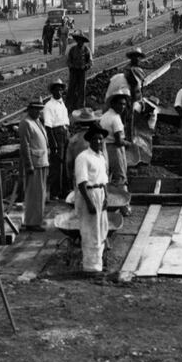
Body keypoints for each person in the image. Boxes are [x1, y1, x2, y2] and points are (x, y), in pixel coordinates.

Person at [74, 123, 110, 277]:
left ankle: (99, 264)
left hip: (100, 193)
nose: (99, 142)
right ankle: (90, 268)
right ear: (90, 141)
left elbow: (104, 179)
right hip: (89, 194)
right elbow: (81, 182)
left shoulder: (101, 157)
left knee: (101, 230)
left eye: (101, 139)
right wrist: (88, 202)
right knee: (90, 232)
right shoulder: (83, 157)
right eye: (95, 139)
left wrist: (106, 196)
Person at [19, 100, 49, 231]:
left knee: (40, 193)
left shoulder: (37, 121)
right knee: (34, 194)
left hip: (42, 161)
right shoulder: (26, 123)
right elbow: (24, 146)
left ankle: (38, 219)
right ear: (29, 109)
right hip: (35, 163)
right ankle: (31, 222)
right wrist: (29, 164)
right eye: (36, 109)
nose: (38, 112)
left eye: (40, 109)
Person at [42, 79, 70, 200]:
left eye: (60, 89)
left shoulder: (61, 103)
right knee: (57, 164)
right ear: (52, 91)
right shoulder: (49, 106)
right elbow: (48, 127)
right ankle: (54, 192)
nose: (59, 91)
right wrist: (54, 145)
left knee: (65, 163)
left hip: (65, 133)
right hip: (56, 134)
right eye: (56, 89)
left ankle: (64, 191)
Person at [66, 107, 101, 191]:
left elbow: (69, 162)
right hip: (96, 176)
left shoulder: (74, 140)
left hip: (79, 176)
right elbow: (105, 159)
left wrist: (70, 176)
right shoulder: (99, 138)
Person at [100, 89, 129, 188]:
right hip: (114, 149)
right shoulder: (115, 118)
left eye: (124, 104)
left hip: (104, 147)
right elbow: (119, 141)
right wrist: (129, 144)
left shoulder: (104, 116)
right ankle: (120, 199)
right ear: (113, 104)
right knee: (120, 177)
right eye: (120, 104)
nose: (122, 107)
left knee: (107, 175)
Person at [65, 30, 92, 111]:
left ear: (83, 41)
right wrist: (72, 66)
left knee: (82, 89)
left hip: (82, 72)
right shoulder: (72, 49)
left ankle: (80, 106)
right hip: (73, 71)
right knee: (71, 88)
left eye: (82, 40)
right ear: (77, 41)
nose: (80, 42)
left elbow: (90, 62)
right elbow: (68, 61)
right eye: (79, 40)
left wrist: (85, 66)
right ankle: (69, 105)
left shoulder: (87, 50)